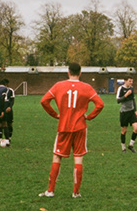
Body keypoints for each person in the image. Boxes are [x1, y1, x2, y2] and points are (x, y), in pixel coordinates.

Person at [40, 62, 104, 198]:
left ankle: (50, 191)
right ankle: (76, 192)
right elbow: (100, 104)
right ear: (80, 73)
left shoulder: (58, 86)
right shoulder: (86, 87)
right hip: (80, 127)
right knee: (78, 158)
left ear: (68, 72)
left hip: (64, 126)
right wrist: (89, 117)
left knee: (57, 156)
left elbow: (44, 101)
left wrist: (55, 114)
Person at [116, 76, 137, 152]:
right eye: (130, 81)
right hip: (124, 113)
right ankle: (123, 148)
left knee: (136, 128)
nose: (131, 83)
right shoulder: (121, 89)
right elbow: (118, 100)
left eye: (132, 81)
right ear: (125, 81)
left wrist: (135, 110)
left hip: (131, 112)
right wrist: (126, 95)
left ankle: (131, 145)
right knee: (124, 131)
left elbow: (133, 100)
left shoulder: (131, 88)